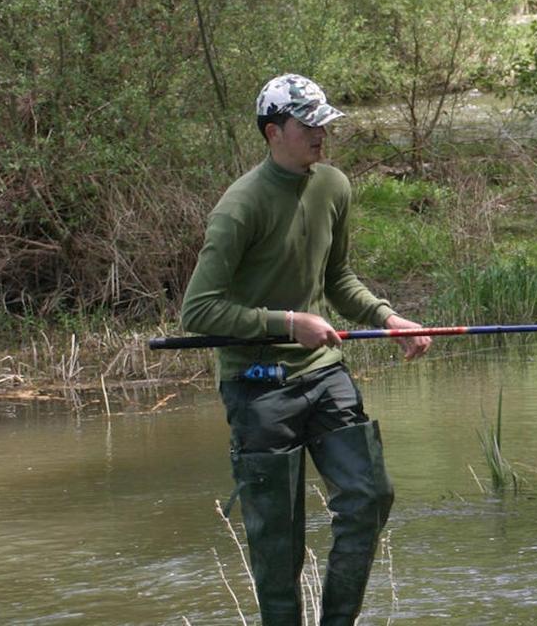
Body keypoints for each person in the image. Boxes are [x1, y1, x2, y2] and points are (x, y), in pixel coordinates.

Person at [181, 73, 431, 625]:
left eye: (324, 122)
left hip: (324, 375)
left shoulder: (333, 186)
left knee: (369, 498)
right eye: (307, 123)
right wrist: (287, 322)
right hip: (257, 385)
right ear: (274, 132)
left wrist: (388, 318)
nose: (321, 133)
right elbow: (197, 312)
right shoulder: (240, 206)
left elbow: (337, 276)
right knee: (278, 547)